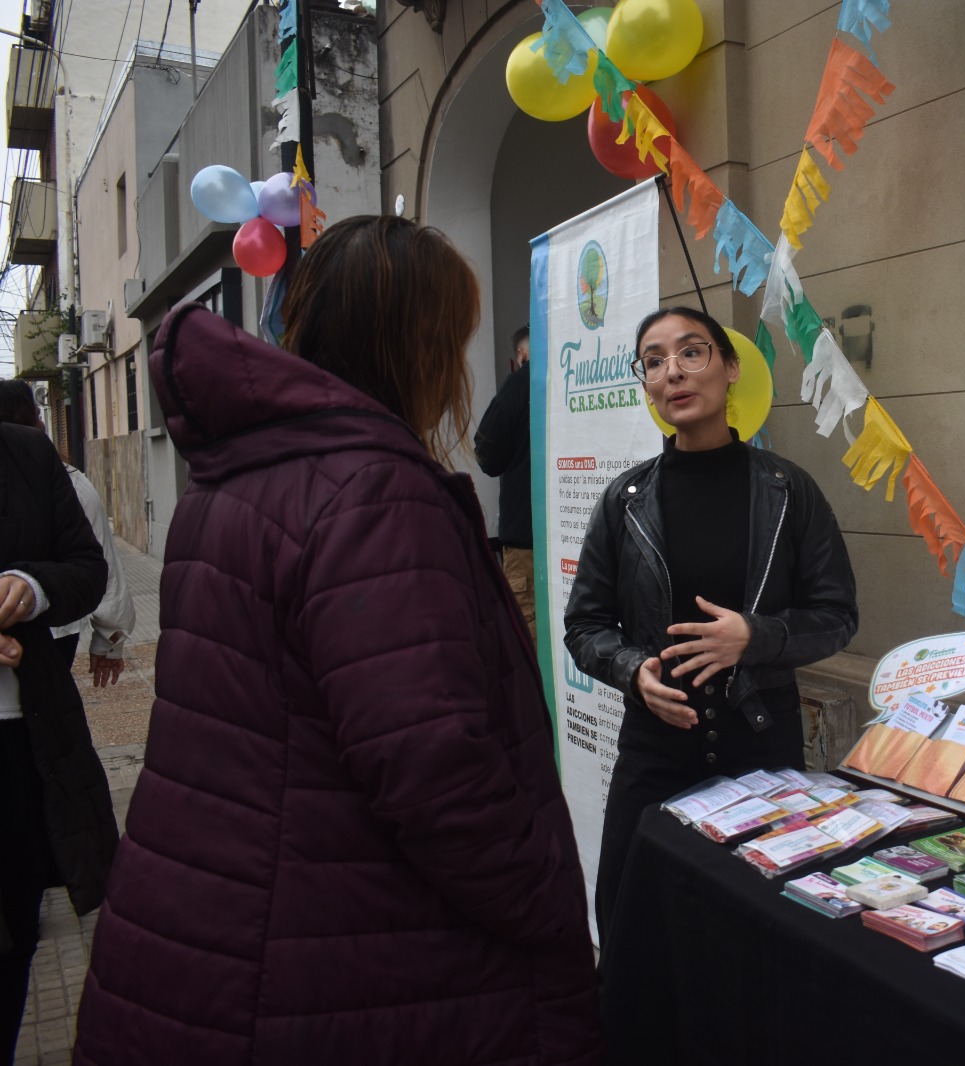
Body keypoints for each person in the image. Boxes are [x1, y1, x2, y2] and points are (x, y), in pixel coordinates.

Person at [73, 217, 603, 1066]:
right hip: (323, 948)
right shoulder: (375, 492)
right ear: (413, 344)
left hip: (220, 925)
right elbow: (433, 768)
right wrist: (548, 898)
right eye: (453, 341)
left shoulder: (231, 482)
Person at [564, 306, 858, 940]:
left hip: (759, 739)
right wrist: (632, 669)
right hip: (655, 747)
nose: (674, 371)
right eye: (654, 360)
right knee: (630, 917)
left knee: (754, 928)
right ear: (645, 383)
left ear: (729, 369)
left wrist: (756, 637)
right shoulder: (626, 500)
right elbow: (585, 625)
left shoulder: (788, 490)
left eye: (692, 352)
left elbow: (836, 615)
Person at [0, 415, 114, 1063]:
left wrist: (33, 587)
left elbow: (87, 568)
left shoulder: (24, 454)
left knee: (18, 936)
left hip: (27, 744)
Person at [0, 380, 135, 687]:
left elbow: (98, 563)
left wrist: (109, 640)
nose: (42, 421)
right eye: (36, 413)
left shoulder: (66, 482)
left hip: (53, 627)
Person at [474, 325, 536, 637]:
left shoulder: (518, 385)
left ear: (521, 354)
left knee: (527, 629)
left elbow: (486, 454)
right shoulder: (574, 380)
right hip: (577, 533)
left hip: (525, 539)